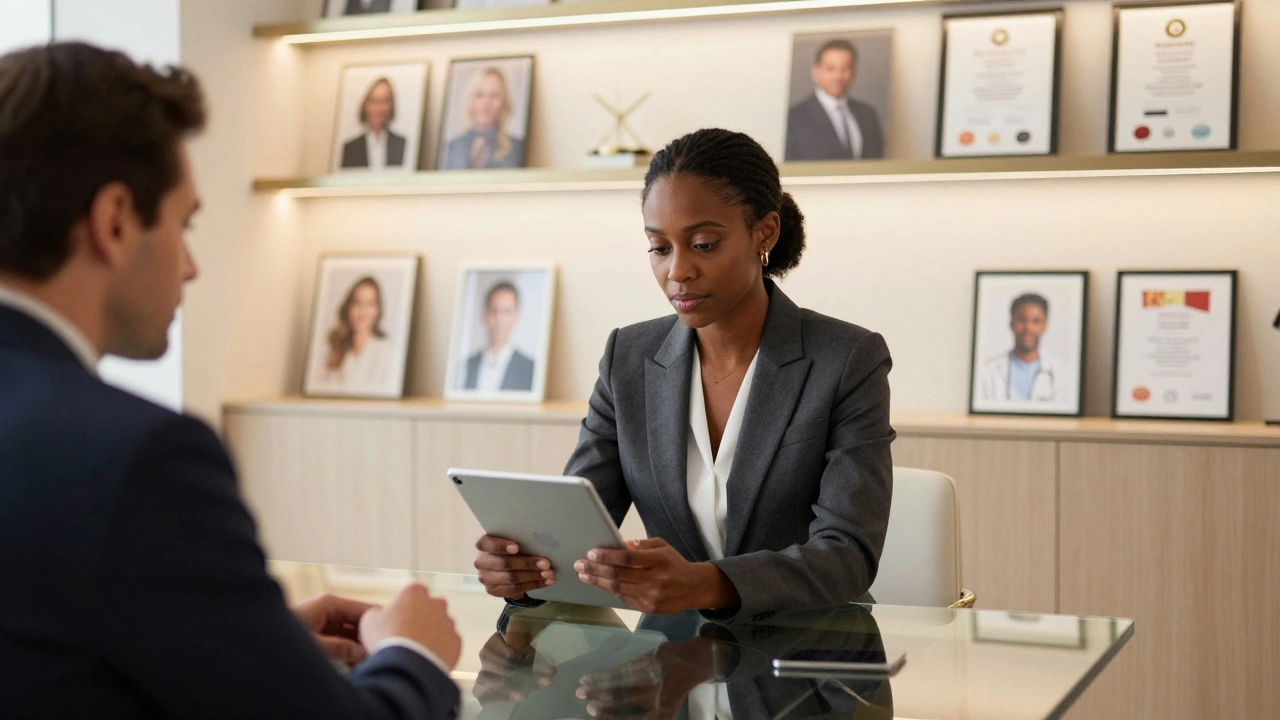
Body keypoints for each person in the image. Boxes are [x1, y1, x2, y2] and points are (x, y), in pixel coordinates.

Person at [0, 42, 461, 719]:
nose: (191, 266)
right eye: (184, 225)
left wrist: (247, 642)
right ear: (115, 220)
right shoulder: (142, 458)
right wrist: (412, 654)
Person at [474, 129, 895, 630]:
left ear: (764, 233)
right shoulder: (628, 358)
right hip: (672, 654)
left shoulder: (846, 359)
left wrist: (704, 584)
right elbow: (575, 528)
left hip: (813, 648)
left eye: (704, 244)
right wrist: (526, 569)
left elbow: (847, 554)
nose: (678, 271)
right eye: (659, 247)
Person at [785, 39, 886, 162]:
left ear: (854, 72)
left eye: (845, 68)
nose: (838, 76)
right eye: (830, 69)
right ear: (815, 73)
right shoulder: (794, 118)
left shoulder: (867, 115)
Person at [979, 292, 1073, 403]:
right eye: (1021, 320)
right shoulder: (987, 372)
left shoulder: (1063, 373)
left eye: (1036, 321)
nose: (1028, 328)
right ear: (1011, 324)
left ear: (1045, 326)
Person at [311, 276, 396, 391]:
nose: (362, 312)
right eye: (357, 303)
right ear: (348, 308)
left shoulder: (387, 353)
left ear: (377, 310)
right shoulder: (331, 350)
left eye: (369, 304)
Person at [441, 67, 526, 170]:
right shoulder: (450, 148)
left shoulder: (518, 149)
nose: (486, 104)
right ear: (470, 101)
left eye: (494, 96)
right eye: (479, 95)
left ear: (504, 102)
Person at [461, 280, 535, 392]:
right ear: (485, 315)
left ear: (516, 316)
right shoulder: (465, 366)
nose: (499, 320)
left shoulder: (531, 369)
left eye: (507, 312)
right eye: (494, 311)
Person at [340, 77, 407, 170]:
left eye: (385, 101)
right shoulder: (350, 148)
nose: (379, 108)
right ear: (365, 105)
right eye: (374, 101)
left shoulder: (401, 144)